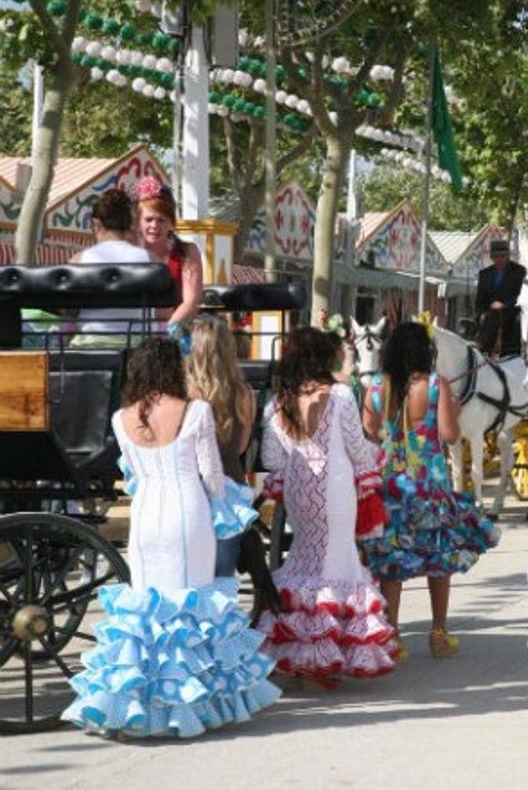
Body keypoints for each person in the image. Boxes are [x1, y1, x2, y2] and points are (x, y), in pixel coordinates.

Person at [62, 338, 278, 738]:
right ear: (173, 369)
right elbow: (212, 476)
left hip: (146, 516)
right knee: (190, 608)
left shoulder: (121, 418)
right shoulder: (195, 411)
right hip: (188, 513)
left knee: (146, 609)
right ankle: (187, 708)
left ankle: (138, 706)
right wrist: (227, 505)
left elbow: (130, 475)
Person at [256, 327, 396, 685]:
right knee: (337, 563)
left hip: (298, 491)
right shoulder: (340, 396)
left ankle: (301, 652)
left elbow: (271, 460)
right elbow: (357, 449)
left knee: (304, 561)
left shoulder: (277, 402)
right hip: (335, 489)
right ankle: (325, 657)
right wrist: (376, 459)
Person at [360, 321, 500, 661]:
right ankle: (439, 633)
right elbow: (450, 435)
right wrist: (453, 410)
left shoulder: (376, 387)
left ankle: (393, 635)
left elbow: (368, 433)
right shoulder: (436, 385)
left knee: (392, 563)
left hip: (390, 486)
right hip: (430, 486)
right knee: (439, 559)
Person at [184, 316, 262, 578]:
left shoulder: (185, 393)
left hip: (191, 490)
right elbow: (241, 447)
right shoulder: (244, 393)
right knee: (222, 578)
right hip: (230, 491)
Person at [70, 187, 151, 348]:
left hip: (91, 344)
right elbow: (163, 310)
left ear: (96, 224)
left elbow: (70, 310)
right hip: (137, 345)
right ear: (130, 223)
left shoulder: (78, 261)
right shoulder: (151, 260)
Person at [134, 176, 202, 328]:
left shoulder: (187, 251)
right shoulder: (131, 252)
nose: (154, 225)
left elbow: (191, 302)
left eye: (161, 220)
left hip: (176, 330)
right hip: (136, 330)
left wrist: (166, 332)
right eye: (148, 219)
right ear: (138, 222)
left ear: (172, 223)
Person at [475, 239, 526, 356]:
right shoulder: (485, 274)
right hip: (490, 320)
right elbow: (479, 300)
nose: (499, 259)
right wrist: (481, 313)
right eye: (495, 256)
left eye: (503, 256)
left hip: (512, 317)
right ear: (491, 257)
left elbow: (522, 296)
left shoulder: (519, 272)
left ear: (508, 255)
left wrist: (504, 305)